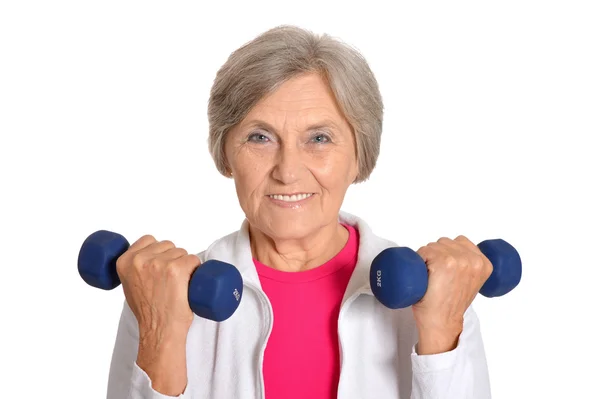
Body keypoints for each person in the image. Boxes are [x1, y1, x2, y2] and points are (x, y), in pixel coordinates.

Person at [106, 25, 493, 399]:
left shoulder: (435, 291)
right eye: (260, 137)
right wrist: (162, 335)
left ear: (359, 156)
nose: (287, 171)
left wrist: (441, 335)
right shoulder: (162, 291)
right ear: (226, 154)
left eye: (319, 138)